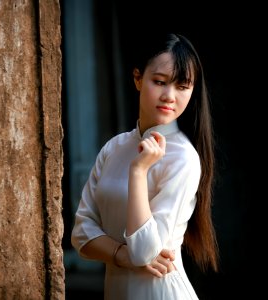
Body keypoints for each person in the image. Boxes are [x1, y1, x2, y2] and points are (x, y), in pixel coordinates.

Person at [71, 32, 219, 300]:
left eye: (182, 87)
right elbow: (81, 234)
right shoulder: (113, 148)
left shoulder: (182, 158)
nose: (169, 96)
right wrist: (122, 255)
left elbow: (144, 251)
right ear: (138, 78)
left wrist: (138, 171)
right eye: (159, 82)